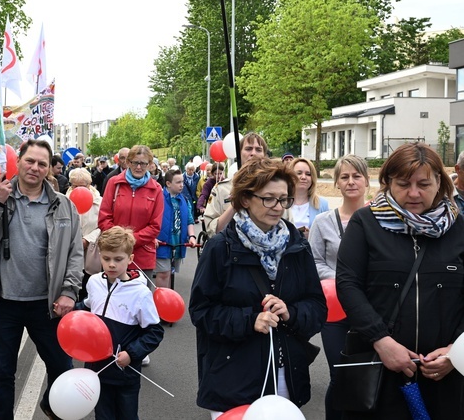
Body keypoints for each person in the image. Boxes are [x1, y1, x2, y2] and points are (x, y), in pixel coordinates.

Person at [189, 157, 326, 418]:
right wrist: (250, 320)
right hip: (233, 377)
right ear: (245, 199)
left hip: (286, 376)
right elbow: (201, 312)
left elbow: (317, 308)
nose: (277, 207)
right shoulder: (221, 247)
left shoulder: (297, 245)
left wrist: (291, 312)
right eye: (268, 198)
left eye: (284, 199)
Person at [336, 142, 464, 419]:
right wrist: (382, 341)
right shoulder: (365, 223)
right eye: (404, 184)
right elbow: (348, 285)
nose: (414, 193)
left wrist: (456, 352)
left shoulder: (459, 228)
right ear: (388, 182)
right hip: (381, 372)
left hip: (445, 376)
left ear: (439, 182)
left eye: (423, 184)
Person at [0, 139, 84, 420]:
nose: (35, 167)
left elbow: (75, 254)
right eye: (30, 161)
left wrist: (69, 292)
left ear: (49, 170)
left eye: (42, 163)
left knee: (61, 369)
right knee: (3, 374)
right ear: (18, 161)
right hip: (3, 303)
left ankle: (50, 405)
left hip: (47, 304)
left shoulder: (64, 206)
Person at [80, 226, 164, 420]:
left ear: (130, 259)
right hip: (96, 369)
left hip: (125, 373)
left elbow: (154, 332)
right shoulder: (94, 283)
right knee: (102, 415)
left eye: (118, 259)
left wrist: (132, 353)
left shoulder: (140, 293)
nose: (111, 265)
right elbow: (87, 307)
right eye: (106, 258)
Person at [308, 155, 369, 420]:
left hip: (371, 309)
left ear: (367, 181)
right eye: (344, 177)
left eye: (356, 176)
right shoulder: (323, 222)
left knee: (367, 373)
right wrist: (343, 281)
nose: (351, 181)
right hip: (335, 312)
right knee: (339, 373)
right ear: (336, 183)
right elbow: (314, 262)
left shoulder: (380, 219)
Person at [99, 144, 164, 283]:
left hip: (142, 257)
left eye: (143, 163)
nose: (139, 167)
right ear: (128, 162)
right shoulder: (114, 183)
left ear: (150, 164)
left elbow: (155, 226)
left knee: (139, 302)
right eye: (135, 163)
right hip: (114, 256)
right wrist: (119, 242)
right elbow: (104, 217)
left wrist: (130, 240)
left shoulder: (156, 189)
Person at [203, 132, 280, 235]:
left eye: (258, 149)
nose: (253, 153)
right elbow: (213, 231)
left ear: (265, 155)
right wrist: (234, 205)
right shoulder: (221, 189)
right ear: (239, 153)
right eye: (248, 149)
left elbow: (285, 226)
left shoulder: (277, 188)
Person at [66, 168, 102, 299]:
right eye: (75, 185)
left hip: (92, 251)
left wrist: (87, 239)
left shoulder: (100, 201)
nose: (78, 189)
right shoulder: (63, 201)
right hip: (70, 249)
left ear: (89, 185)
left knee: (90, 287)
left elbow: (103, 225)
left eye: (83, 185)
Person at [155, 169, 195, 289]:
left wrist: (192, 236)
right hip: (163, 242)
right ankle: (161, 303)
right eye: (178, 182)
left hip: (177, 242)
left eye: (182, 181)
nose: (182, 185)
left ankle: (168, 302)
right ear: (168, 183)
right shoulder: (158, 198)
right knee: (163, 273)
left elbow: (189, 220)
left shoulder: (184, 200)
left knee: (170, 273)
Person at [288, 157, 329, 238]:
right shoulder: (281, 203)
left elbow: (327, 235)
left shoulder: (322, 204)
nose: (303, 177)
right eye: (299, 173)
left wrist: (312, 236)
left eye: (308, 174)